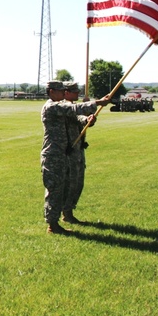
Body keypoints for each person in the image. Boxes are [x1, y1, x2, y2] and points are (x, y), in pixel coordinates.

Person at [41, 81, 109, 234]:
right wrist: (98, 102)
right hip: (53, 155)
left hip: (65, 154)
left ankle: (63, 217)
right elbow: (72, 108)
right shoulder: (51, 107)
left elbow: (76, 117)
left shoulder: (61, 107)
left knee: (66, 187)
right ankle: (52, 225)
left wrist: (88, 120)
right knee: (55, 189)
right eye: (61, 91)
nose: (64, 93)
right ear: (51, 92)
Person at [62, 82, 95, 224]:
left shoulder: (74, 106)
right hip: (67, 150)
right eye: (74, 91)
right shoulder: (62, 106)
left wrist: (88, 119)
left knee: (77, 183)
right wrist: (88, 107)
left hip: (78, 149)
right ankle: (65, 213)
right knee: (69, 182)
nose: (77, 93)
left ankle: (69, 211)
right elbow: (74, 113)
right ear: (66, 92)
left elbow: (79, 119)